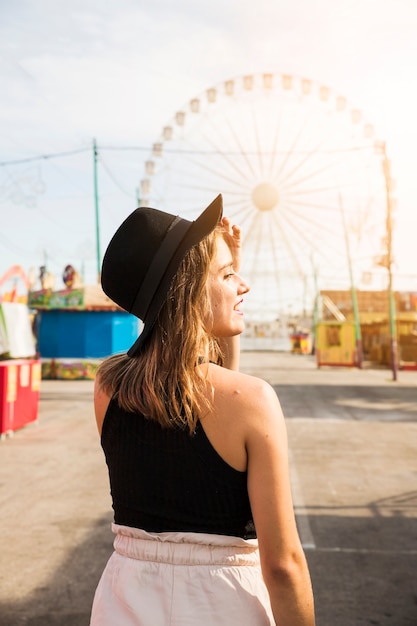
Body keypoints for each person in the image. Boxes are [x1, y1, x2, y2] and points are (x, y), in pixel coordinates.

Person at [90, 194, 315, 626]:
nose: (244, 286)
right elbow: (283, 566)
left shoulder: (108, 389)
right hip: (221, 603)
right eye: (229, 276)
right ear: (190, 293)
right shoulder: (252, 401)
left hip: (124, 600)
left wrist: (226, 265)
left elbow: (200, 385)